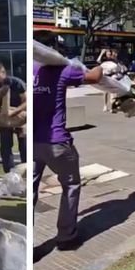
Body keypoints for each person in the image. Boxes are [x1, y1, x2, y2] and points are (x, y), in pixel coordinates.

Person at [33, 33, 102, 246]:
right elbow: (94, 77)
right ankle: (66, 235)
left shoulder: (30, 69)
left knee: (30, 191)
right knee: (70, 185)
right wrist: (100, 64)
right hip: (57, 141)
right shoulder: (63, 69)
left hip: (32, 143)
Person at [0, 61, 27, 172]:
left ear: (4, 72)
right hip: (4, 119)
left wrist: (14, 112)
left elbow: (26, 102)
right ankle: (10, 173)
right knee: (5, 148)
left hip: (20, 116)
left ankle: (27, 170)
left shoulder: (17, 83)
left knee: (24, 146)